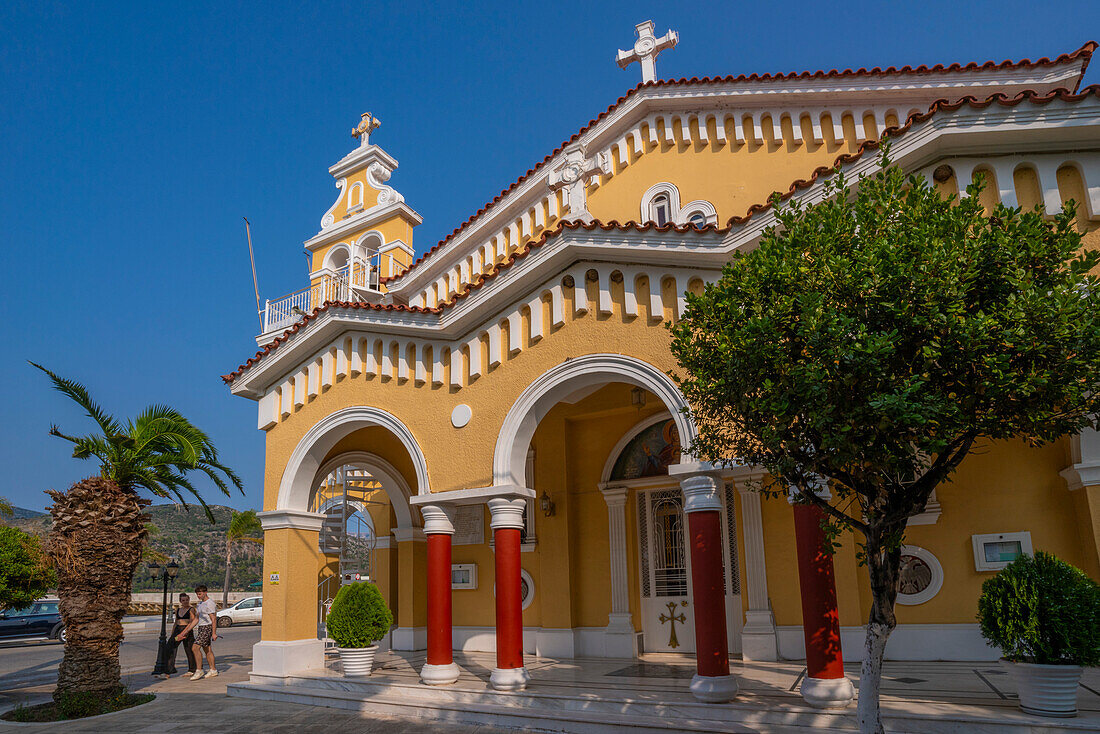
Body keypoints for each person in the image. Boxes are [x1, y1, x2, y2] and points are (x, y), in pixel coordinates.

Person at [176, 584, 218, 679]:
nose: (198, 596)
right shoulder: (200, 604)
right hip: (201, 628)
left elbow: (214, 619)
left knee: (195, 648)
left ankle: (199, 670)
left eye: (200, 594)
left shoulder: (210, 603)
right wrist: (185, 632)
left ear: (205, 592)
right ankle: (213, 670)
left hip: (207, 628)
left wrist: (214, 633)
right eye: (197, 594)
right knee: (207, 649)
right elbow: (196, 619)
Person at [164, 592, 197, 679]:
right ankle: (169, 669)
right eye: (183, 600)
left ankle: (192, 669)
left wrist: (186, 632)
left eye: (186, 600)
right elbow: (176, 622)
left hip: (187, 630)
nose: (185, 602)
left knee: (189, 650)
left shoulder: (191, 609)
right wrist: (173, 634)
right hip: (177, 630)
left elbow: (192, 621)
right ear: (180, 601)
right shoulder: (178, 610)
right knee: (170, 648)